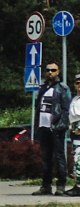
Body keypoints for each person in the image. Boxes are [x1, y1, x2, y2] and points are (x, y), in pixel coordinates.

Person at [33, 62, 69, 196]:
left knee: (59, 156)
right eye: (48, 70)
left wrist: (59, 126)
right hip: (43, 127)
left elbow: (66, 110)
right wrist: (37, 125)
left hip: (56, 128)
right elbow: (38, 107)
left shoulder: (62, 88)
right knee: (46, 157)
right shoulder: (42, 88)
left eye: (53, 70)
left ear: (58, 71)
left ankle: (61, 185)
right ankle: (46, 186)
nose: (50, 72)